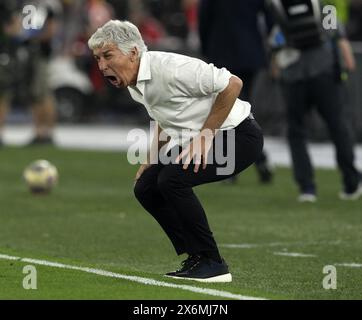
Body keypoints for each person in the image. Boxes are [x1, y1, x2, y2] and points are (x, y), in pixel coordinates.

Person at [88, 20, 264, 282]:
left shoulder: (170, 68)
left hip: (240, 136)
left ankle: (213, 263)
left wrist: (205, 137)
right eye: (98, 58)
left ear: (133, 52)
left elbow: (233, 84)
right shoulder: (136, 81)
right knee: (146, 187)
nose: (102, 66)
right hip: (208, 137)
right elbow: (165, 116)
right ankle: (196, 256)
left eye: (108, 56)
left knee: (172, 180)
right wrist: (152, 157)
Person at [268, 0, 361, 202]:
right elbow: (339, 39)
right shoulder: (324, 8)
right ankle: (351, 182)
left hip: (294, 79)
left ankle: (307, 188)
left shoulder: (281, 8)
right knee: (338, 127)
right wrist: (347, 66)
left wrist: (278, 74)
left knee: (297, 132)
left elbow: (276, 45)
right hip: (325, 74)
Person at [198, 0, 274, 184]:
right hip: (250, 53)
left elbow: (204, 20)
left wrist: (206, 50)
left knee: (227, 111)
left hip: (222, 52)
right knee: (242, 109)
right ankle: (258, 159)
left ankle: (234, 165)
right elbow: (271, 17)